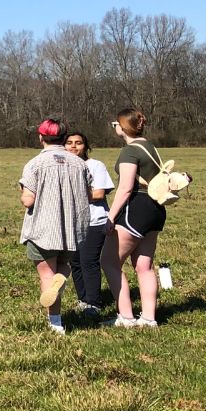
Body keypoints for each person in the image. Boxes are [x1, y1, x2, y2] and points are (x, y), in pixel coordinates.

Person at [18, 118, 92, 336]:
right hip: (71, 230)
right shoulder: (80, 163)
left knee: (46, 276)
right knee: (62, 267)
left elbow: (28, 200)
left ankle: (55, 323)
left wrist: (23, 190)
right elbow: (89, 194)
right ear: (63, 138)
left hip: (44, 229)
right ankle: (62, 277)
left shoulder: (35, 164)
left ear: (41, 137)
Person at [101, 108, 168, 328]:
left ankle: (126, 316)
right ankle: (149, 318)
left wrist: (110, 217)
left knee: (110, 262)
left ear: (122, 126)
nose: (115, 127)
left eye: (115, 124)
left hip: (135, 209)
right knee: (144, 266)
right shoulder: (151, 147)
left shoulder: (129, 151)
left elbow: (126, 187)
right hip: (155, 210)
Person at [64, 131, 113, 316]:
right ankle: (83, 299)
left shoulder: (95, 165)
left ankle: (94, 303)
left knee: (88, 260)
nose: (74, 146)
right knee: (74, 262)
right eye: (69, 142)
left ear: (86, 146)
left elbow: (99, 194)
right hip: (71, 222)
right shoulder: (61, 166)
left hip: (94, 220)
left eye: (78, 142)